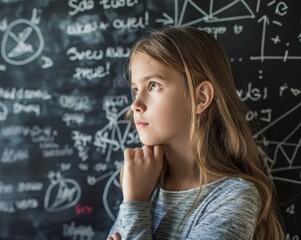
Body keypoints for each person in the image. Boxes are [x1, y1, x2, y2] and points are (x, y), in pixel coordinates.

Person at [107, 26, 284, 240]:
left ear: (200, 97)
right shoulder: (145, 182)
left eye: (153, 85)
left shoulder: (233, 197)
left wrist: (135, 203)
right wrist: (136, 199)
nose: (136, 104)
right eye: (136, 89)